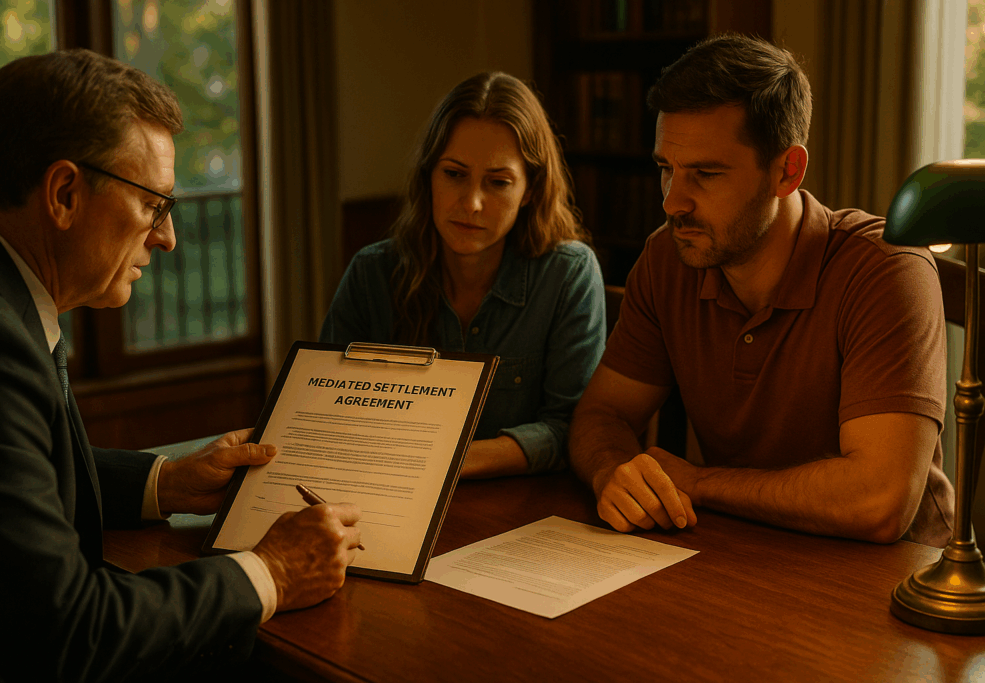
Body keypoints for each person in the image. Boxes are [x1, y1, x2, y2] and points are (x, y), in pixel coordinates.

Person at [0, 49, 362, 681]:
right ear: (64, 193)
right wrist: (273, 571)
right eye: (153, 204)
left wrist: (167, 483)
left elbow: (10, 472)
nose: (167, 237)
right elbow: (70, 632)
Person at [569, 34, 955, 548]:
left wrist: (699, 482)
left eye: (705, 174)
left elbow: (880, 501)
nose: (673, 202)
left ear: (787, 171)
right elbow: (602, 415)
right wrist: (613, 473)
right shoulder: (668, 257)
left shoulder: (886, 270)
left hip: (891, 583)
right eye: (666, 169)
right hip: (742, 553)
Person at [320, 72, 606, 478]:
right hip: (385, 499)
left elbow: (570, 428)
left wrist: (442, 462)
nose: (471, 203)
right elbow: (325, 410)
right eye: (454, 174)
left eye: (498, 182)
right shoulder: (373, 272)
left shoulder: (568, 275)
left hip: (522, 510)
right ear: (428, 175)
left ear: (529, 190)